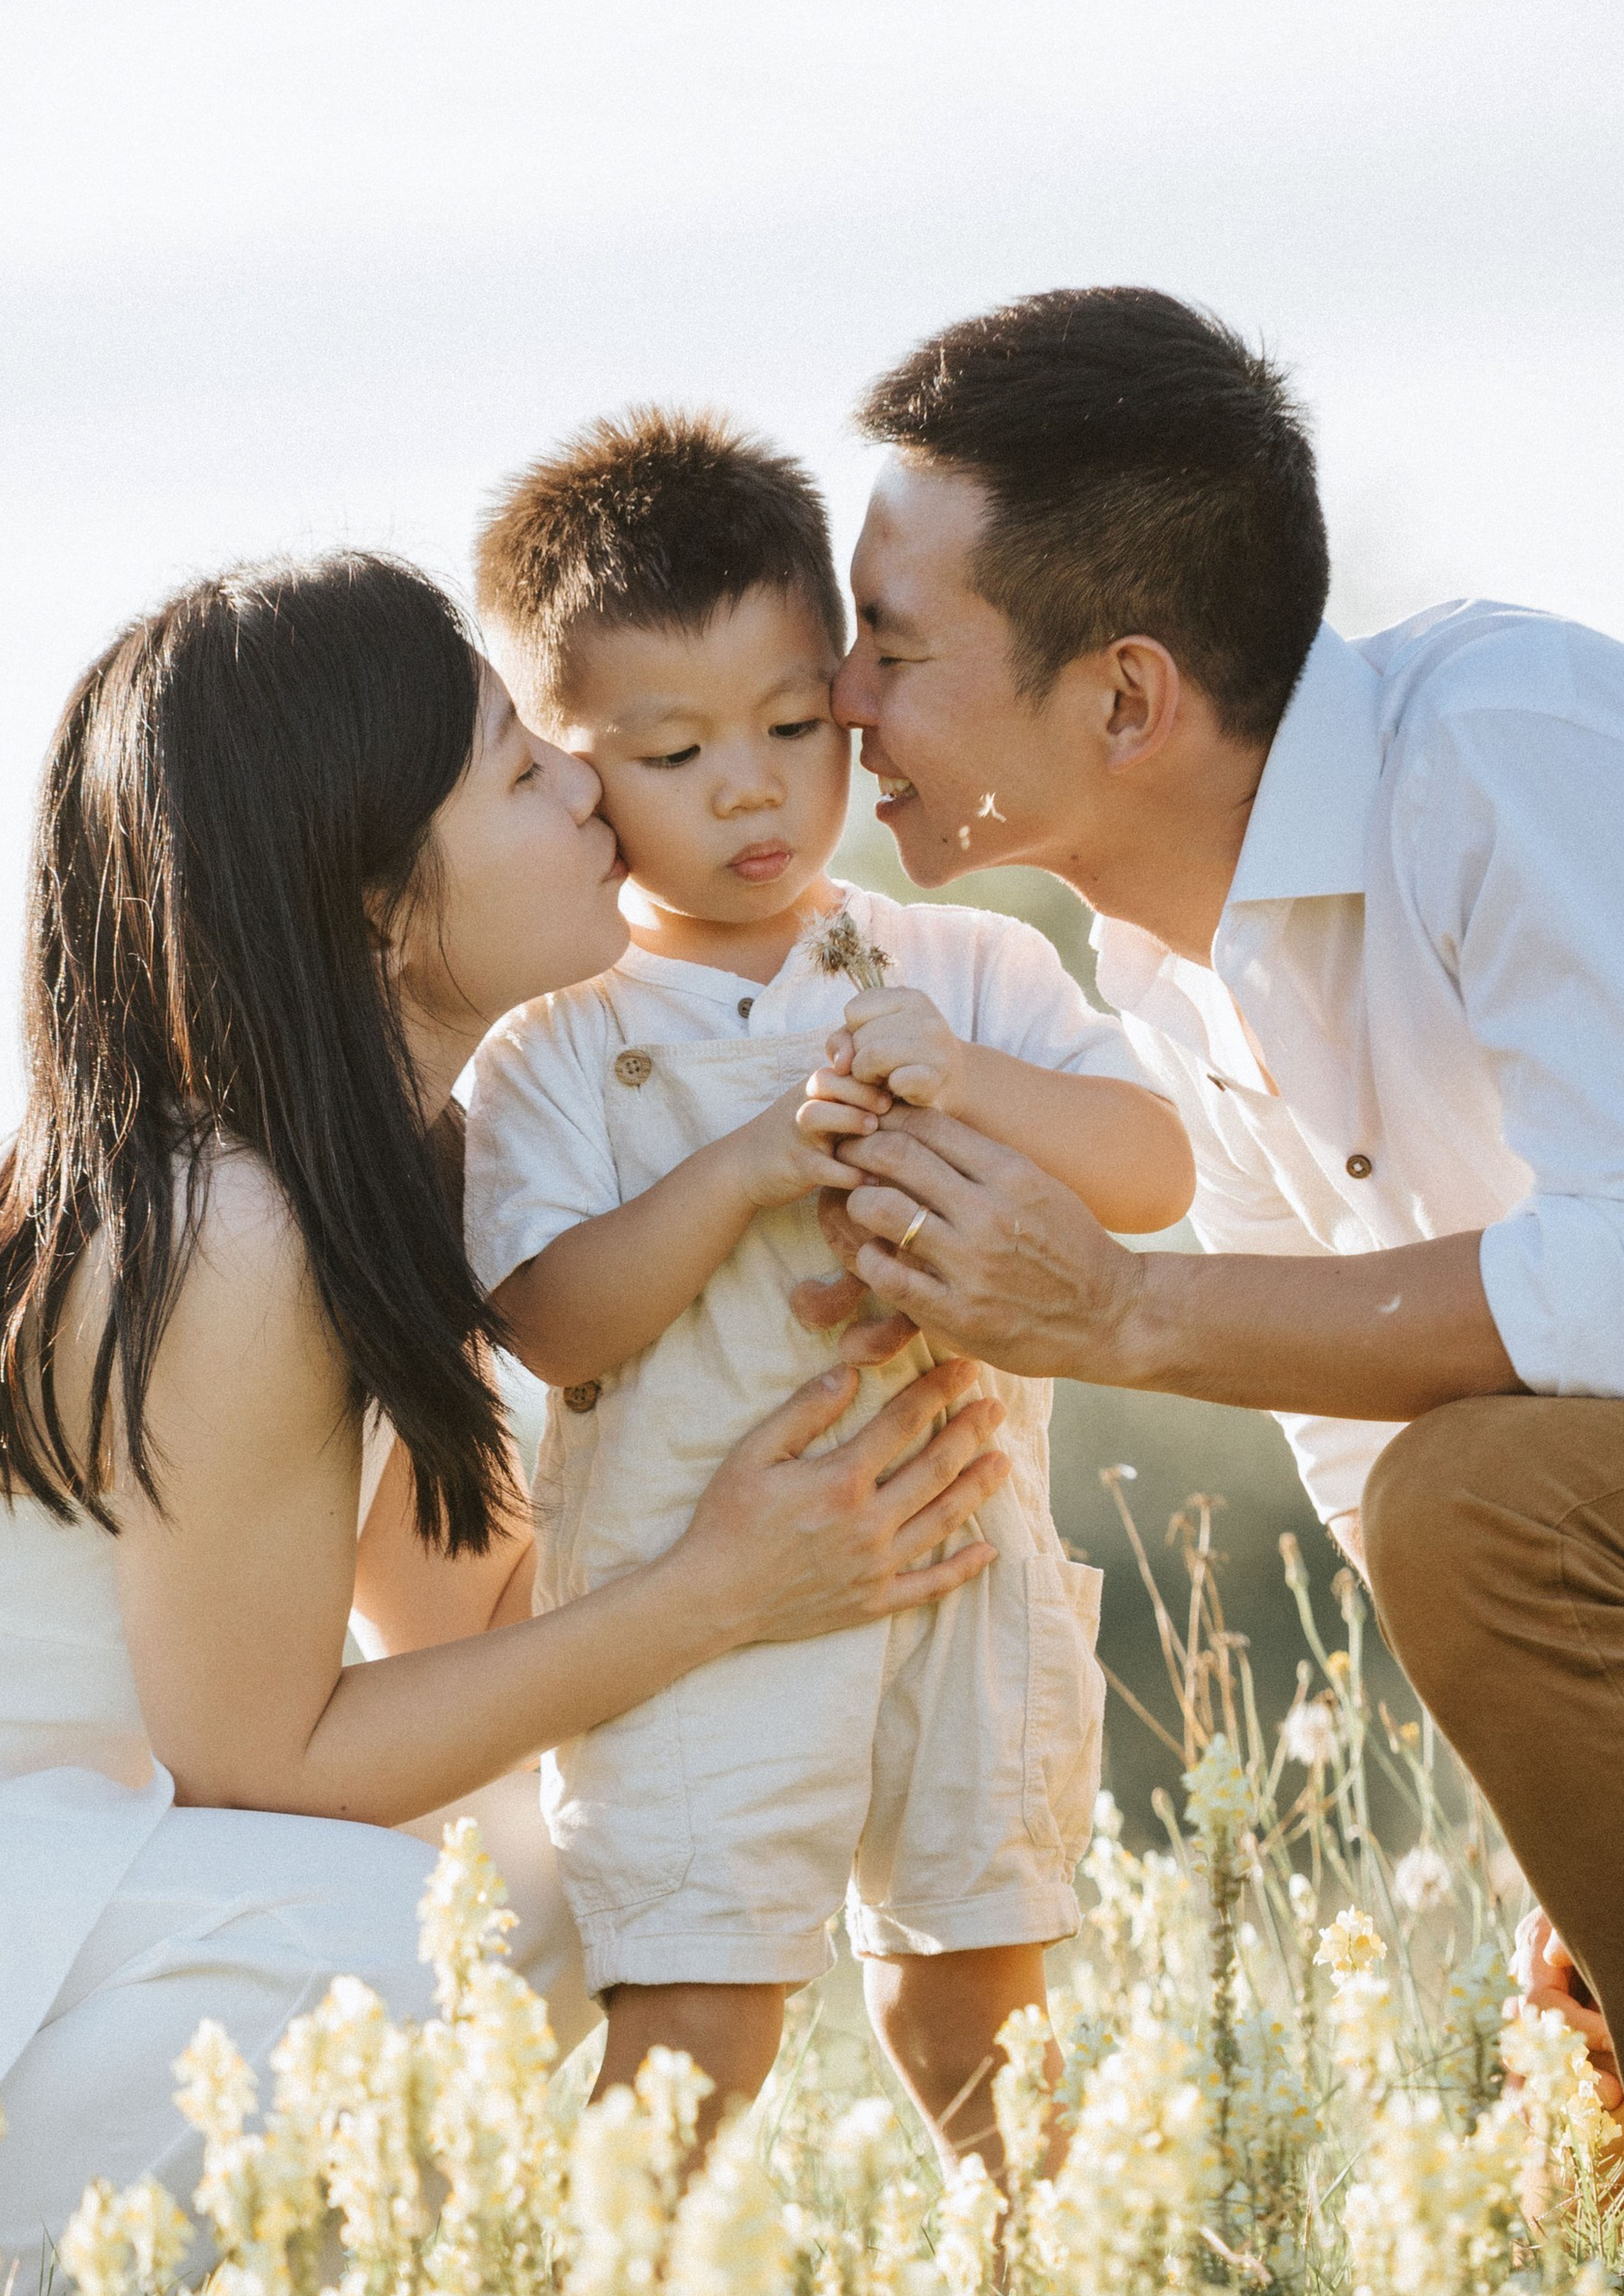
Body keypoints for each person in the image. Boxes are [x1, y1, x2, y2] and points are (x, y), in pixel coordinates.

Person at [0, 554, 1010, 2289]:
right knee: (391, 1958)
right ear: (369, 901)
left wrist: (806, 1466)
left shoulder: (377, 1182)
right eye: (521, 771)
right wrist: (724, 1587)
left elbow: (475, 1645)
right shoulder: (228, 1227)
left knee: (603, 1853)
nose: (588, 781)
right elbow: (266, 1768)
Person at [812, 284, 1624, 2174]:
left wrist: (1117, 1309)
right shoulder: (1165, 970)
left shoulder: (1514, 749)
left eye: (888, 644)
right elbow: (1387, 1468)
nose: (839, 701)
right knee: (1563, 2133)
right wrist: (1595, 1818)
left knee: (1482, 1507)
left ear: (1122, 696)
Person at [466, 412, 1193, 2167]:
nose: (750, 789)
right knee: (699, 2002)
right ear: (574, 772)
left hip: (966, 1560)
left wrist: (968, 1081)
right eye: (674, 750)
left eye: (796, 728)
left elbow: (1155, 1169)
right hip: (697, 1593)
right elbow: (552, 1322)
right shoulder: (557, 1044)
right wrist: (737, 1174)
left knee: (977, 1984)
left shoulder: (964, 965)